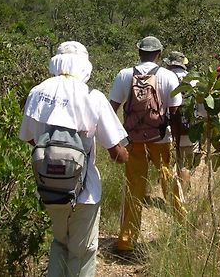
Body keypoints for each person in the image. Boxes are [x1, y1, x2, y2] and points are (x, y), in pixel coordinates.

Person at [19, 41, 129, 277]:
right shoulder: (92, 96)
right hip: (85, 191)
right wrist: (127, 154)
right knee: (83, 250)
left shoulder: (37, 93)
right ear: (84, 65)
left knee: (59, 243)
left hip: (49, 187)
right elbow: (116, 153)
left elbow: (29, 137)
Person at [109, 36, 186, 255]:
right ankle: (183, 225)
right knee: (168, 180)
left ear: (139, 52)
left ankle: (126, 240)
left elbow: (110, 109)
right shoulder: (168, 76)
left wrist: (116, 140)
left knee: (134, 187)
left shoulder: (124, 75)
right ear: (160, 54)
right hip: (161, 140)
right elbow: (175, 114)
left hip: (133, 141)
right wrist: (178, 146)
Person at [163, 50, 198, 196]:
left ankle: (176, 194)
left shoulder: (165, 78)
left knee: (175, 161)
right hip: (190, 127)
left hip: (170, 127)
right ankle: (184, 192)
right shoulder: (193, 80)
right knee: (187, 163)